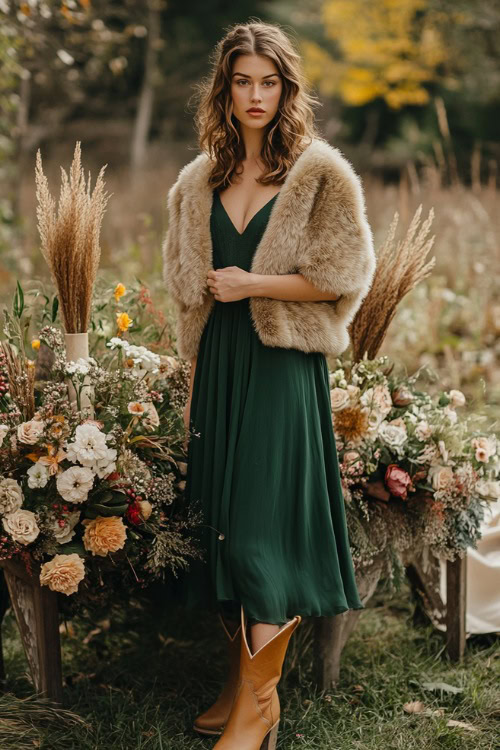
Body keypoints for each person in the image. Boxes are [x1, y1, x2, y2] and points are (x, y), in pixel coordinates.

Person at [162, 20, 376, 750]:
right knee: (221, 524)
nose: (255, 95)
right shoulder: (199, 181)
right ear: (224, 90)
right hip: (220, 363)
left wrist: (253, 281)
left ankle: (264, 709)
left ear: (287, 90)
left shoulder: (319, 174)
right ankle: (238, 683)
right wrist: (191, 379)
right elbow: (189, 294)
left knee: (259, 532)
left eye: (269, 82)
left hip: (282, 367)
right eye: (242, 81)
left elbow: (345, 276)